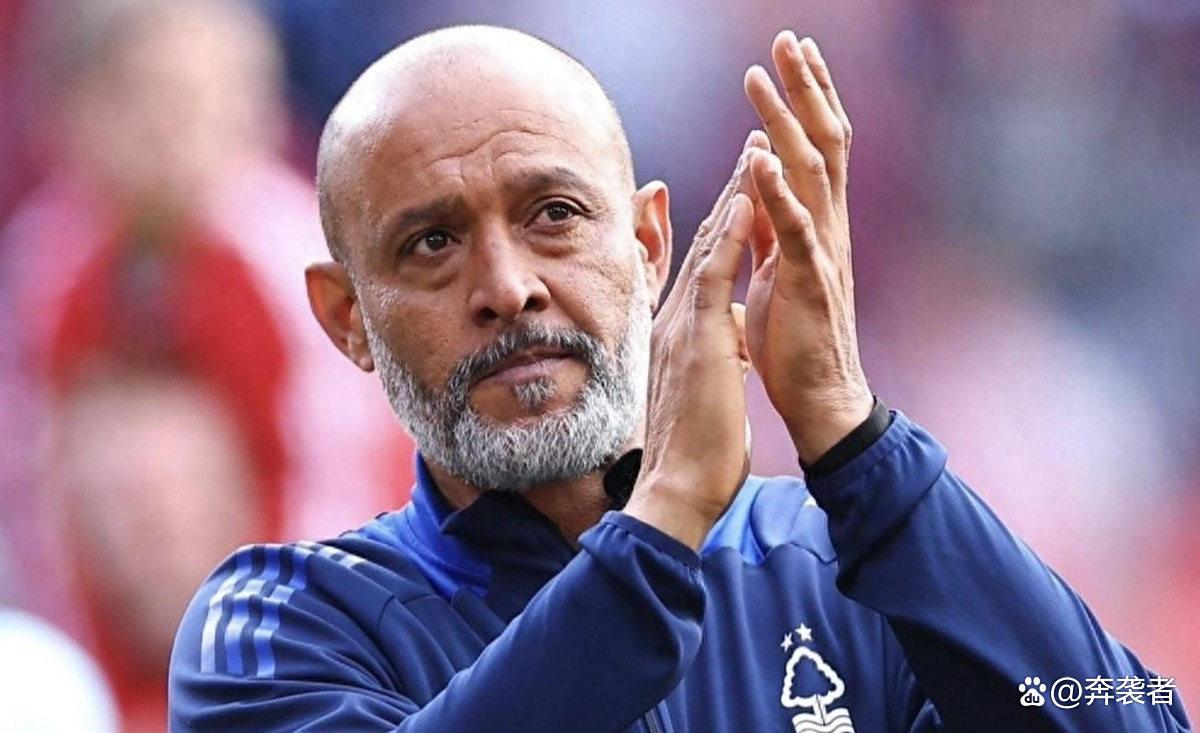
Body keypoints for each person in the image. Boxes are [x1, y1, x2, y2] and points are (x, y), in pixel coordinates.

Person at [168, 25, 1191, 731]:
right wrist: (661, 524)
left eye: (554, 214)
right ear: (348, 317)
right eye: (432, 242)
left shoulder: (846, 562)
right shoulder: (281, 624)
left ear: (651, 242)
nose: (509, 287)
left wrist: (857, 438)